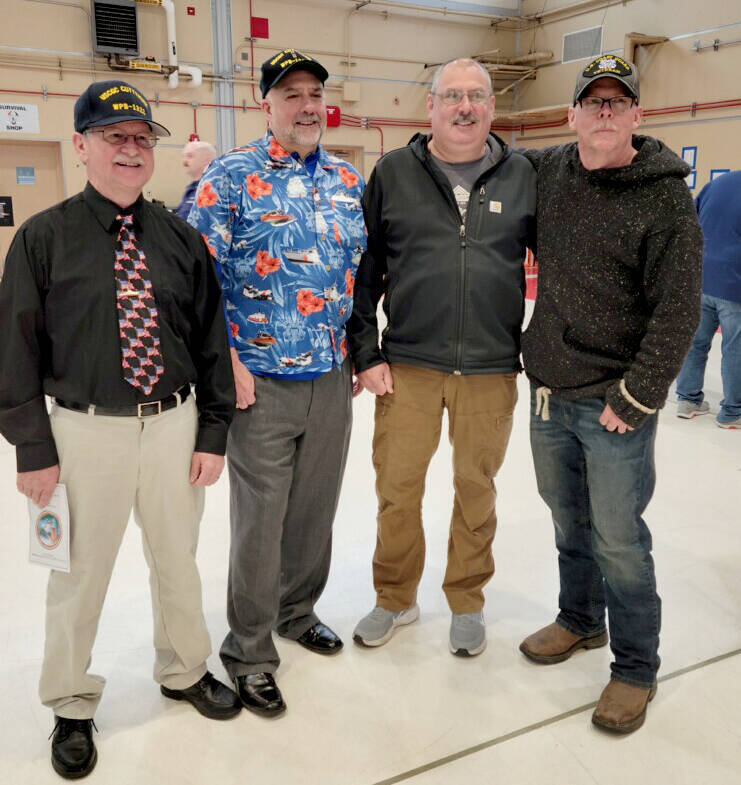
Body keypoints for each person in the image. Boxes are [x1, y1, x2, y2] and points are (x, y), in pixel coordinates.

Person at [0, 80, 240, 779]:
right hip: (84, 434)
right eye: (114, 137)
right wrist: (32, 448)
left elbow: (210, 344)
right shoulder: (42, 240)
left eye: (141, 139)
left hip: (172, 425)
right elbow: (14, 350)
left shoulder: (181, 238)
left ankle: (184, 669)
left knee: (177, 560)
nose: (131, 151)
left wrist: (211, 431)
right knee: (77, 574)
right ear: (81, 146)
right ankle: (71, 702)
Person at [518, 55, 702, 734]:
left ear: (635, 116)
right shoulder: (550, 173)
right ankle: (577, 619)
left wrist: (637, 397)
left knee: (619, 539)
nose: (603, 111)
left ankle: (634, 666)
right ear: (570, 117)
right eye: (591, 101)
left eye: (616, 101)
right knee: (568, 520)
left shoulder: (664, 197)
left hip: (615, 404)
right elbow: (482, 150)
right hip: (548, 390)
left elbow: (678, 309)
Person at [187, 48, 366, 717]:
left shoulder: (348, 179)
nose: (307, 104)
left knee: (314, 508)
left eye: (315, 91)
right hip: (257, 381)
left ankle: (298, 611)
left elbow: (359, 271)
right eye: (291, 93)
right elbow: (194, 279)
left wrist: (354, 348)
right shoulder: (230, 178)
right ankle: (250, 652)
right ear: (265, 105)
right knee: (260, 522)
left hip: (330, 375)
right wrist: (225, 360)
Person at [347, 58, 536, 657]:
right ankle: (395, 596)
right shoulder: (394, 173)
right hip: (408, 366)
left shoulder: (523, 174)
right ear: (430, 107)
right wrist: (365, 351)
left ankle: (467, 601)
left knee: (475, 489)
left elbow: (562, 266)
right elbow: (365, 271)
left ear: (491, 108)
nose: (464, 107)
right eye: (452, 96)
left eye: (476, 96)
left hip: (489, 369)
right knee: (397, 490)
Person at [675, 163, 741, 428]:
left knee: (695, 343)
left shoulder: (720, 183)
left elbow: (689, 223)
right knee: (737, 351)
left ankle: (688, 400)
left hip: (700, 279)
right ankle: (735, 411)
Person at [176, 140, 217, 220]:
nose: (185, 161)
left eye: (190, 156)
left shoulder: (214, 190)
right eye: (184, 156)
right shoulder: (192, 188)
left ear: (206, 161)